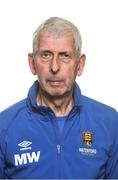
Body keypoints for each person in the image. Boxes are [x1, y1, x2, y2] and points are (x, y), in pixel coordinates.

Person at [0, 17, 118, 179]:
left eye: (65, 56)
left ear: (80, 64)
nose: (54, 67)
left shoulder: (110, 123)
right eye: (46, 55)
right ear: (32, 63)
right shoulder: (4, 126)